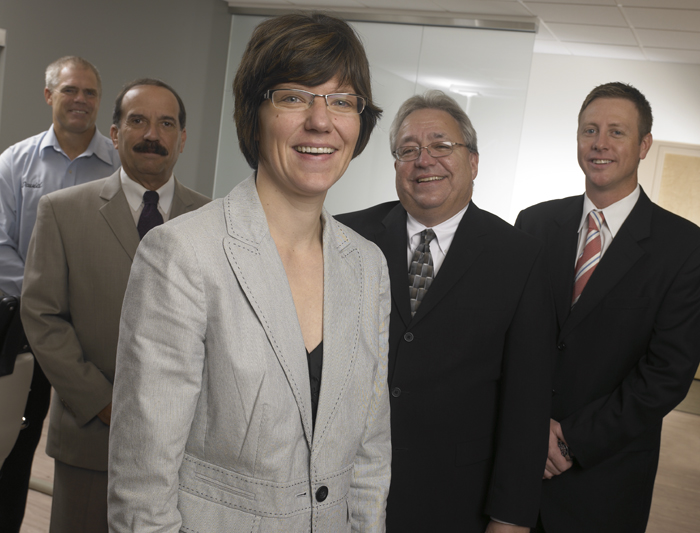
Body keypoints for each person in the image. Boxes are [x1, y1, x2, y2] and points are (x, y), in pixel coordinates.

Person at [108, 13, 391, 533]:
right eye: (294, 97)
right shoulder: (182, 254)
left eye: (342, 101)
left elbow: (370, 454)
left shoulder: (367, 265)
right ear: (253, 114)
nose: (321, 121)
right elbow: (142, 486)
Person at [337, 90, 554, 532]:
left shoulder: (521, 258)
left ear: (473, 162)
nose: (424, 160)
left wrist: (510, 518)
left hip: (454, 500)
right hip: (341, 489)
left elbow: (526, 404)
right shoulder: (345, 236)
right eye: (408, 150)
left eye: (441, 145)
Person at [20, 78, 210, 533]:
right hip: (91, 436)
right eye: (138, 121)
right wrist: (103, 402)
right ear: (114, 133)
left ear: (182, 138)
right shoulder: (62, 211)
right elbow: (43, 315)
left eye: (166, 124)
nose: (152, 135)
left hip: (185, 446)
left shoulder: (211, 220)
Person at [515, 82, 700, 533]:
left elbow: (667, 373)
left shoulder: (683, 246)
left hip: (604, 479)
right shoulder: (533, 224)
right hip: (515, 465)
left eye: (617, 132)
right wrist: (528, 427)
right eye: (589, 130)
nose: (600, 143)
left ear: (644, 145)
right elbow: (511, 337)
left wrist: (570, 440)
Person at [0, 56, 119, 533]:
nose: (80, 100)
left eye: (90, 92)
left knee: (92, 446)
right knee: (13, 443)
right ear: (49, 95)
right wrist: (42, 301)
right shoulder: (15, 162)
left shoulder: (120, 166)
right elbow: (0, 245)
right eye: (70, 90)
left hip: (95, 336)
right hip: (24, 329)